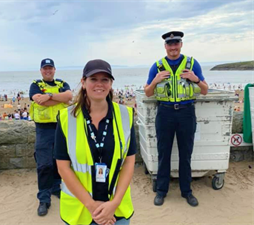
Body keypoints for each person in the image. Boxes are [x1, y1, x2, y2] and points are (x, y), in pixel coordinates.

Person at [54, 59, 136, 225]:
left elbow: (129, 162)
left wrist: (114, 203)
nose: (99, 84)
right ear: (83, 82)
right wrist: (92, 206)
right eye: (93, 79)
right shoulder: (66, 118)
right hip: (80, 211)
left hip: (116, 211)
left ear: (111, 83)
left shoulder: (126, 115)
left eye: (104, 79)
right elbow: (63, 167)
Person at [144, 31, 208, 207]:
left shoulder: (192, 64)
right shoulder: (156, 66)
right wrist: (155, 81)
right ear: (165, 46)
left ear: (181, 44)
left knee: (185, 153)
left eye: (176, 43)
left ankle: (186, 191)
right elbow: (148, 92)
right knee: (163, 152)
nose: (173, 47)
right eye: (170, 43)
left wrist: (195, 79)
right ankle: (161, 191)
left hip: (186, 112)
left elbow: (205, 90)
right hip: (164, 113)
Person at [29, 58, 72, 216]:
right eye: (45, 69)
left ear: (55, 69)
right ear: (41, 71)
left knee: (59, 161)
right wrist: (56, 99)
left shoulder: (62, 83)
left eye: (50, 68)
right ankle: (44, 198)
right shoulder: (36, 85)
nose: (48, 71)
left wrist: (49, 96)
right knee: (44, 164)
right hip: (44, 129)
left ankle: (55, 188)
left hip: (61, 127)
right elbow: (39, 101)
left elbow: (68, 96)